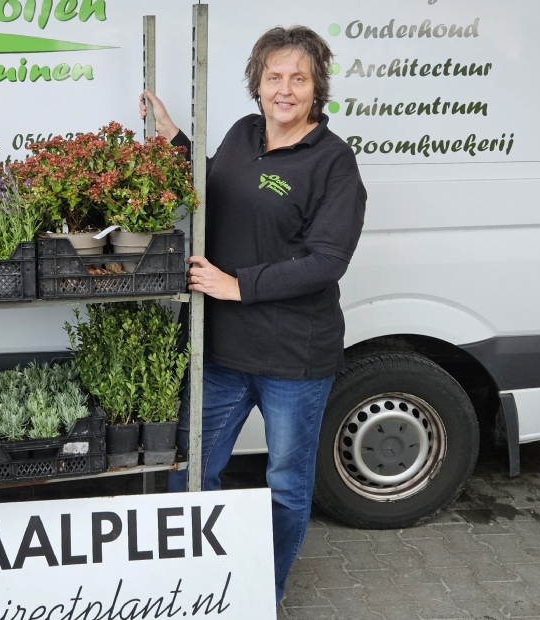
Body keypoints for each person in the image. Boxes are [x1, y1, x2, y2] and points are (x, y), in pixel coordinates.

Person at [140, 26, 366, 603]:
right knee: (191, 472)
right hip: (223, 352)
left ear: (317, 88)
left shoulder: (334, 163)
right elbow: (216, 187)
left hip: (295, 358)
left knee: (286, 486)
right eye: (274, 77)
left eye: (298, 78)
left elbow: (327, 262)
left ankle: (261, 593)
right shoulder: (243, 136)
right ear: (257, 83)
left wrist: (234, 284)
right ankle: (193, 587)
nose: (284, 89)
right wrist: (175, 143)